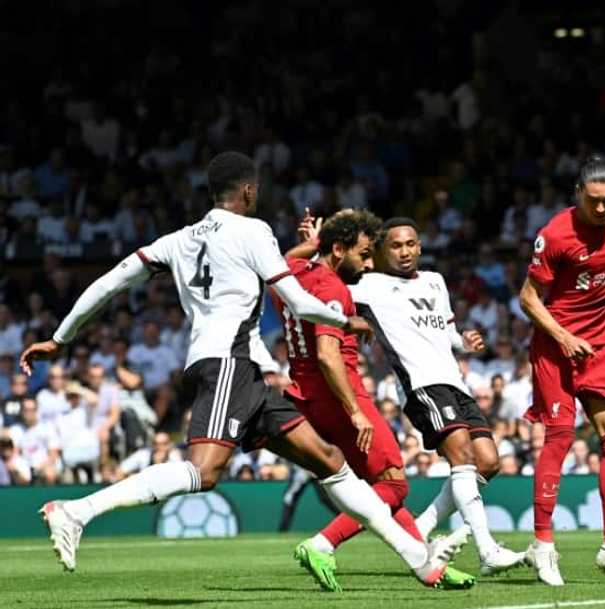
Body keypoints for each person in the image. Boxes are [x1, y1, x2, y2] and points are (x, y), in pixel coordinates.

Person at [20, 152, 466, 588]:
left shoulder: (175, 240)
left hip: (248, 371)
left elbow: (111, 280)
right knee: (203, 472)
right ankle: (78, 511)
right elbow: (299, 302)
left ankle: (420, 562)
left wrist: (60, 337)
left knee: (329, 461)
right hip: (228, 363)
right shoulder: (254, 231)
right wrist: (344, 319)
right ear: (249, 191)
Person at [290, 215, 524, 577]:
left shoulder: (435, 281)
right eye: (394, 246)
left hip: (455, 381)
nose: (404, 252)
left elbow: (447, 331)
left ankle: (424, 528)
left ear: (420, 246)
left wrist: (465, 342)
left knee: (488, 462)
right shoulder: (368, 284)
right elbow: (315, 285)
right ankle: (487, 550)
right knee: (458, 457)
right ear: (382, 250)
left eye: (410, 244)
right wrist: (317, 245)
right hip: (420, 385)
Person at [518, 156, 605, 585]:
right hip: (555, 347)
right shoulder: (555, 234)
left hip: (600, 345)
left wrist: (585, 336)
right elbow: (528, 298)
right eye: (594, 202)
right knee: (561, 436)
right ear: (577, 196)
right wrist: (564, 336)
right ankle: (543, 544)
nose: (603, 210)